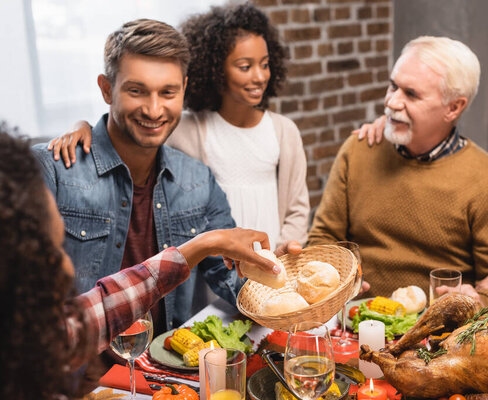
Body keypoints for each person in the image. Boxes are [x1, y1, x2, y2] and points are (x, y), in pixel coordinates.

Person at [0, 125, 280, 398]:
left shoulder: (36, 338)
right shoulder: (61, 168)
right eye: (52, 252)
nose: (68, 266)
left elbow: (101, 308)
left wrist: (207, 246)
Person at [31, 19, 242, 334]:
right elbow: (25, 303)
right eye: (137, 91)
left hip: (166, 374)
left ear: (183, 89)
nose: (154, 110)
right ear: (106, 89)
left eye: (167, 92)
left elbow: (229, 276)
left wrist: (276, 276)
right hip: (82, 375)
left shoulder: (198, 179)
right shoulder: (54, 170)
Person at [47, 3, 309, 250]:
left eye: (265, 65)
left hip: (265, 261)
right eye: (245, 66)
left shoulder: (282, 131)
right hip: (208, 269)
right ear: (216, 69)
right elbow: (127, 138)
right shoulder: (186, 129)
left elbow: (297, 208)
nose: (259, 76)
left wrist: (278, 256)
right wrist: (82, 127)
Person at [308, 36, 488, 315]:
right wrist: (333, 280)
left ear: (453, 107)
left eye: (411, 94)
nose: (392, 102)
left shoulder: (487, 181)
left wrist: (473, 305)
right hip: (352, 320)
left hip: (435, 339)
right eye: (393, 86)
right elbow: (323, 240)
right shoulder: (359, 149)